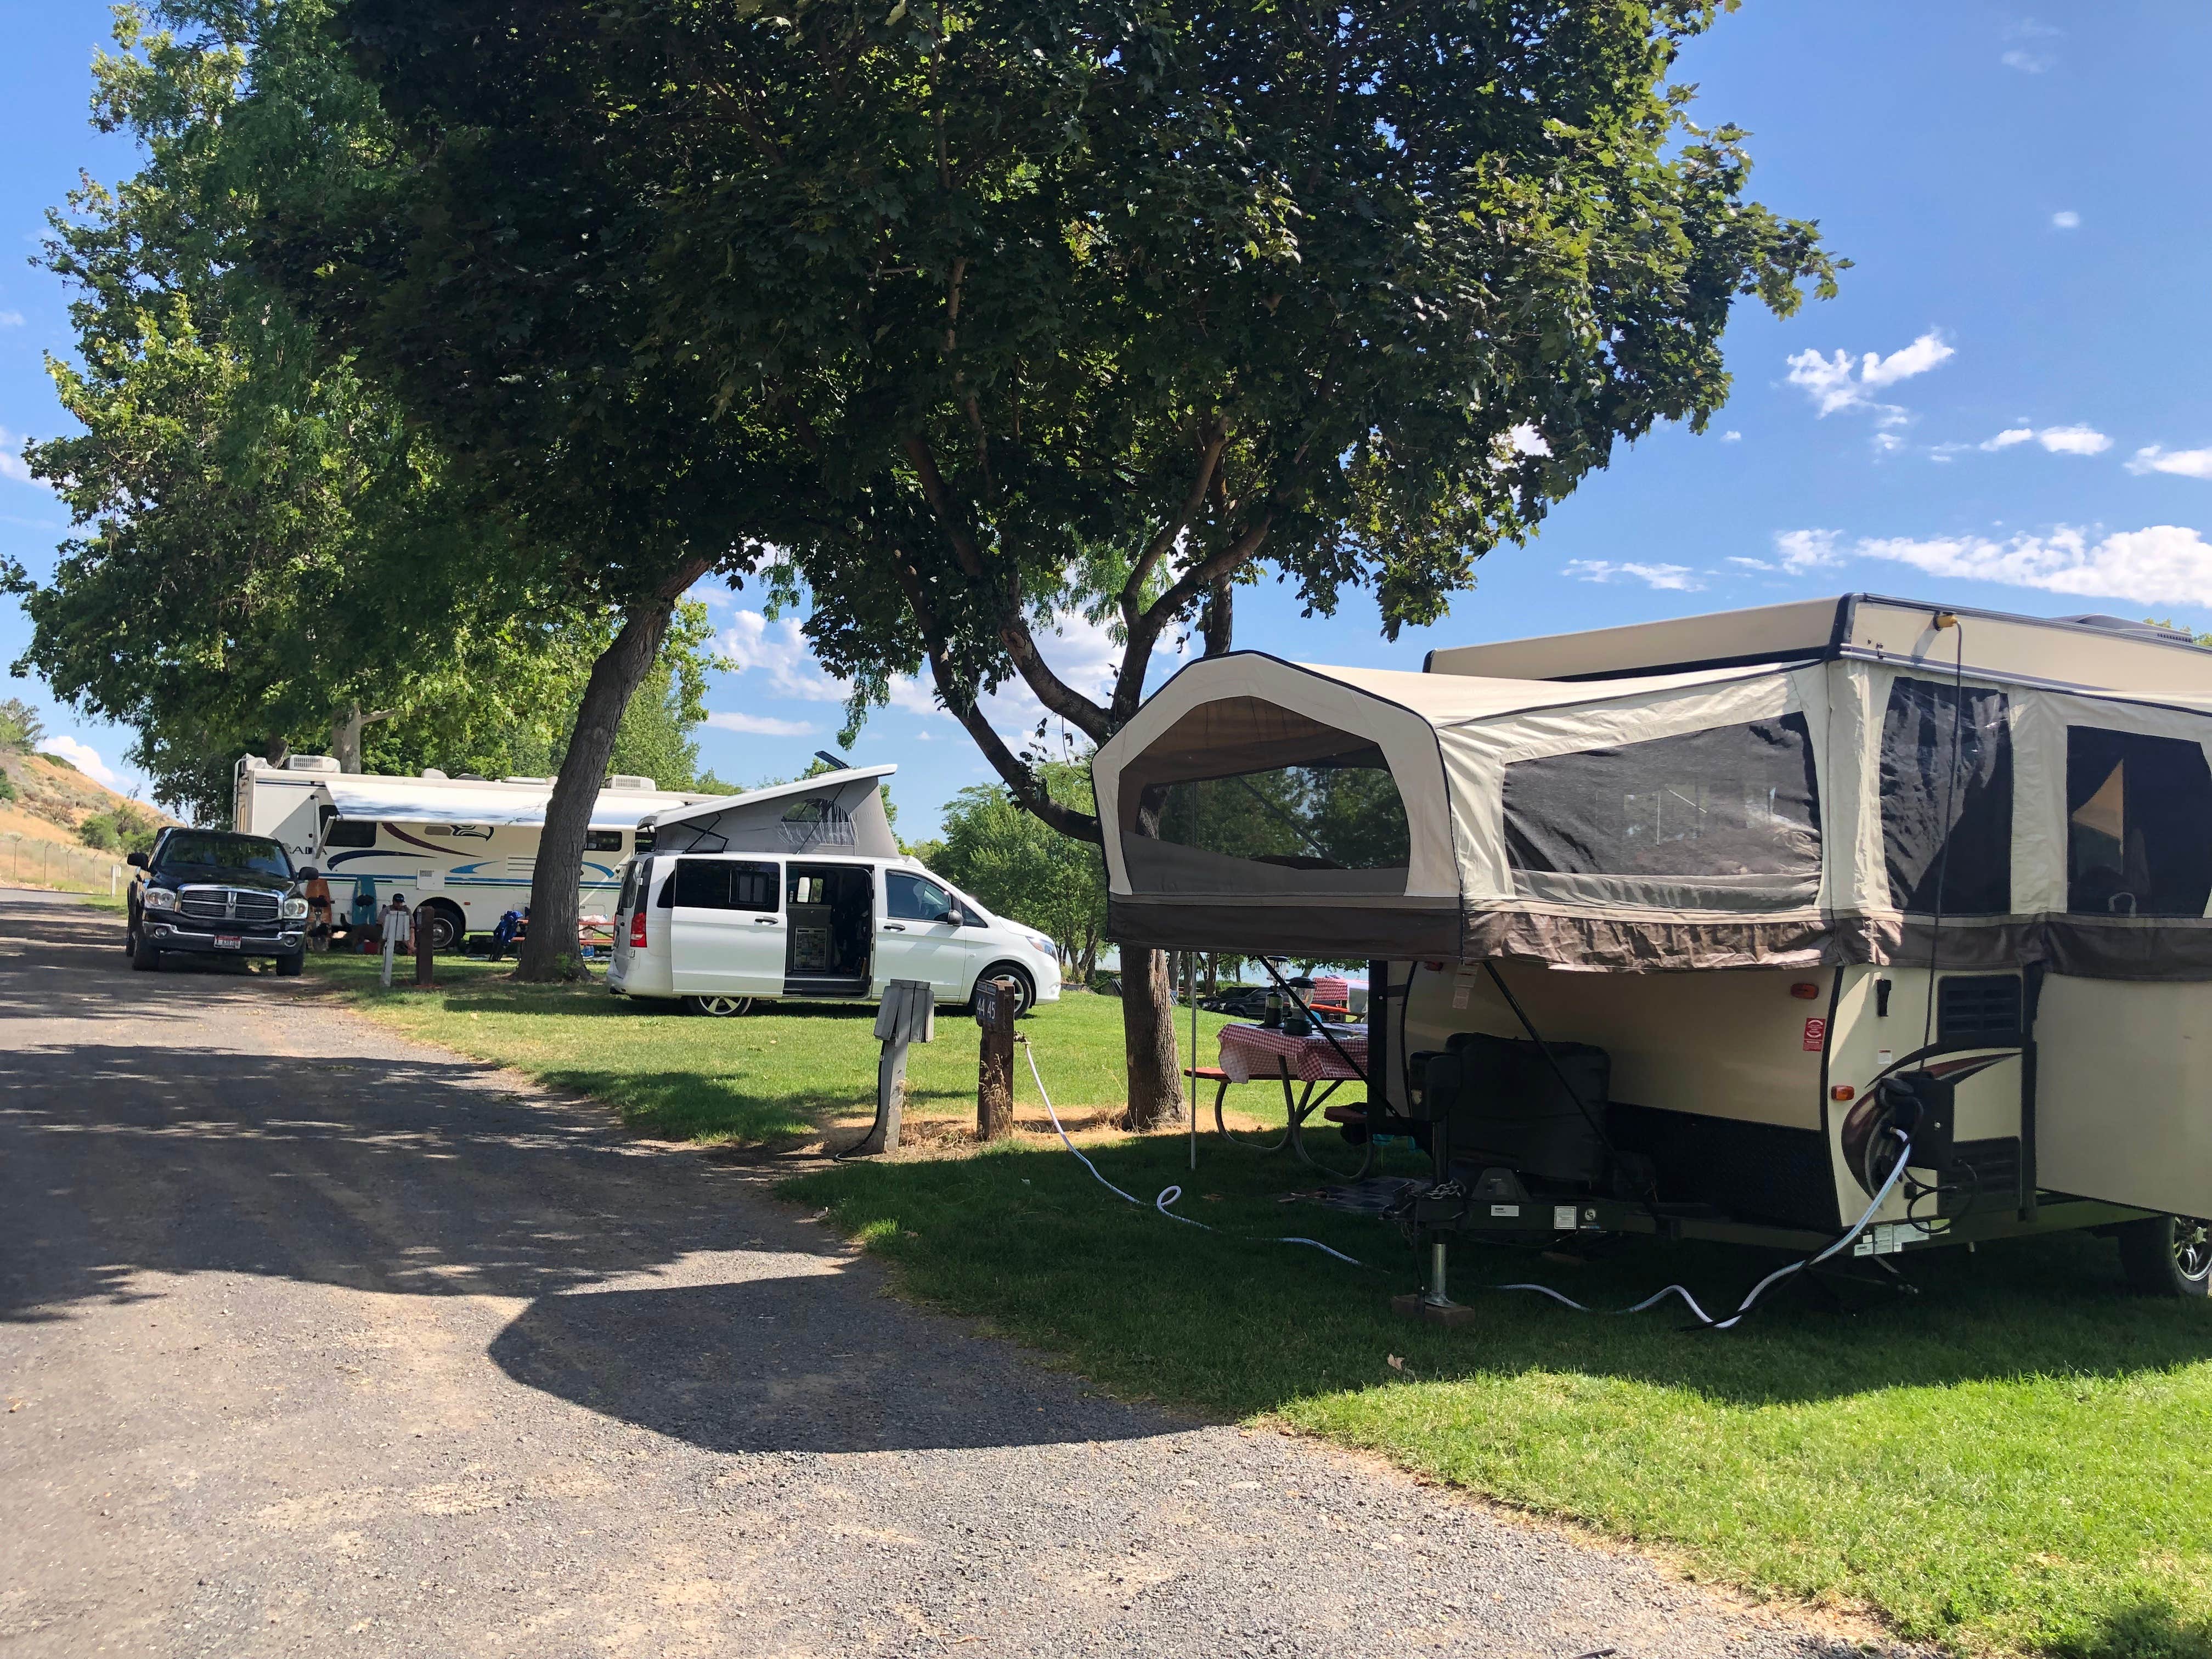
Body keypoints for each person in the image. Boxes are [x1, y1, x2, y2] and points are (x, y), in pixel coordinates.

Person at [302, 870, 334, 952]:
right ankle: (313, 947)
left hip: (320, 918)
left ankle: (322, 947)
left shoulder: (324, 915)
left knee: (322, 928)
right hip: (314, 918)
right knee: (312, 928)